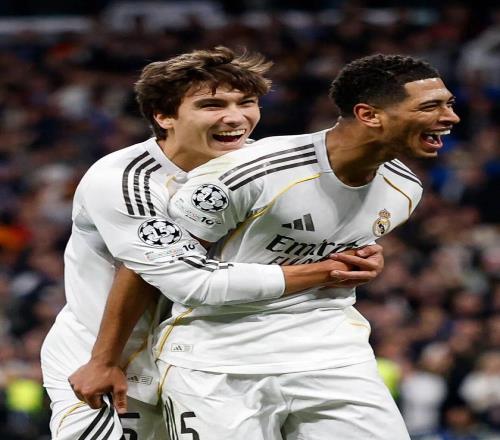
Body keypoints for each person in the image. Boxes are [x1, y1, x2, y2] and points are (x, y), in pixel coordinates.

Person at [43, 47, 382, 440]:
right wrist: (103, 361)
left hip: (206, 361)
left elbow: (314, 235)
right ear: (163, 115)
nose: (236, 118)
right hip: (110, 359)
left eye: (247, 103)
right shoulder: (125, 181)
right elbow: (163, 274)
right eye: (212, 105)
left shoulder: (264, 167)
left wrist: (359, 253)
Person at [150, 54, 460, 439]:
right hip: (216, 359)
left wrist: (364, 263)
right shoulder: (252, 170)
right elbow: (167, 270)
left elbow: (336, 253)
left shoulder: (405, 188)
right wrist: (107, 359)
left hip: (332, 355)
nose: (450, 117)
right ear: (368, 115)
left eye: (449, 104)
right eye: (430, 107)